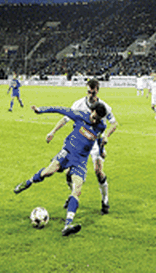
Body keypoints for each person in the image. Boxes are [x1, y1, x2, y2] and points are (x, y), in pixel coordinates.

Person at [13, 101, 108, 237]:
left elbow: (98, 139)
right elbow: (59, 109)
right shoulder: (80, 115)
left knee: (77, 189)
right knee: (48, 172)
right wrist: (40, 109)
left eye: (97, 119)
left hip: (80, 161)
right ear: (91, 111)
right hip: (67, 153)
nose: (94, 120)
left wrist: (102, 150)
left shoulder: (101, 126)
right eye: (94, 117)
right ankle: (28, 182)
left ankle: (67, 225)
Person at [46, 78, 117, 213]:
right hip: (79, 144)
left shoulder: (103, 107)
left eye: (93, 93)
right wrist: (53, 131)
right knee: (69, 174)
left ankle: (105, 200)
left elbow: (114, 123)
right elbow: (65, 118)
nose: (91, 95)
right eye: (89, 92)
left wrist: (106, 136)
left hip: (95, 143)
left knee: (98, 171)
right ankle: (72, 195)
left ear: (98, 91)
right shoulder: (79, 104)